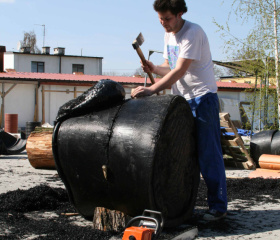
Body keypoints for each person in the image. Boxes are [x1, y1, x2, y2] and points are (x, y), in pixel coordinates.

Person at [131, 0, 227, 221]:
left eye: (167, 18)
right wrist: (154, 68)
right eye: (160, 19)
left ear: (180, 13)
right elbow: (170, 66)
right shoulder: (169, 35)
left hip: (202, 98)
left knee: (208, 154)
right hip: (181, 100)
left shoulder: (193, 32)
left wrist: (151, 89)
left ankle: (218, 208)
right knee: (182, 153)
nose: (163, 23)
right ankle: (184, 205)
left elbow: (180, 70)